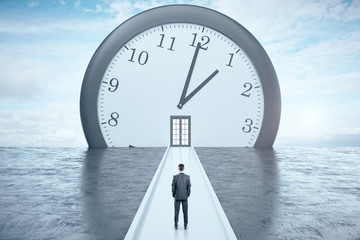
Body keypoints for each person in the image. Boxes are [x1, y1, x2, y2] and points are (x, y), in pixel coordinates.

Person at [172, 163, 191, 230]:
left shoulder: (175, 177)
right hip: (185, 196)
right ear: (184, 168)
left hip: (177, 196)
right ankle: (185, 225)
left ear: (178, 168)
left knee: (176, 212)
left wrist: (173, 194)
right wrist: (188, 194)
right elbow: (189, 187)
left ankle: (176, 225)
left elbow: (173, 187)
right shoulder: (187, 177)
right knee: (185, 212)